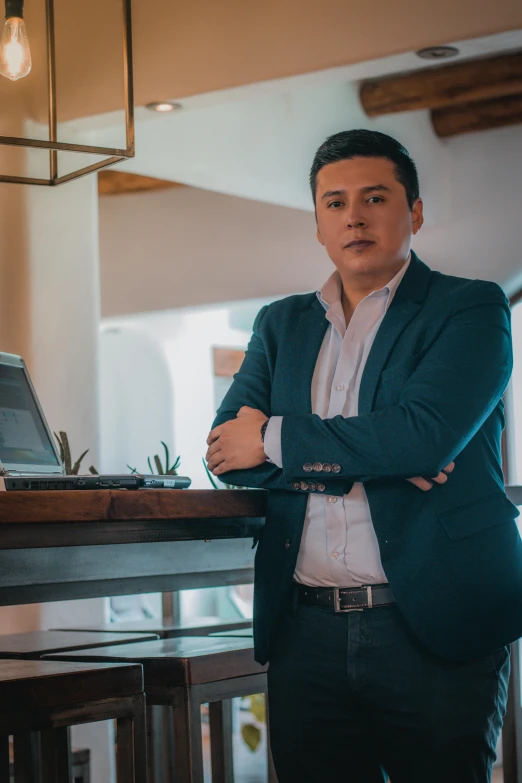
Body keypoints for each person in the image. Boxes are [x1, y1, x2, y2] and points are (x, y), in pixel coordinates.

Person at [205, 129, 522, 782]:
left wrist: (277, 440)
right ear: (319, 222)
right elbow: (223, 449)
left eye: (375, 197)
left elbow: (424, 436)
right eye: (335, 202)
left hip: (435, 626)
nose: (354, 215)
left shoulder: (470, 308)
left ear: (415, 211)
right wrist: (380, 452)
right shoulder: (280, 323)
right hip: (307, 632)